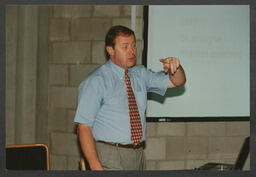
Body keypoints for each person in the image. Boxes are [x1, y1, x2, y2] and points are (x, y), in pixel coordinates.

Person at [74, 25, 186, 170]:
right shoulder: (96, 81)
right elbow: (83, 127)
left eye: (133, 45)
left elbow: (177, 81)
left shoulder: (140, 74)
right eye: (125, 46)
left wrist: (175, 68)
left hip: (137, 154)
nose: (132, 51)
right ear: (110, 50)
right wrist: (96, 167)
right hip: (109, 154)